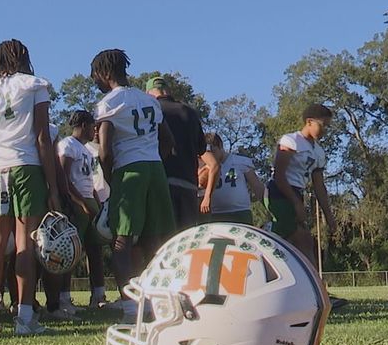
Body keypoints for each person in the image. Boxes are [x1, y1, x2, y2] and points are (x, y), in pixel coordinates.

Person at [0, 39, 61, 335]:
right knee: (25, 243)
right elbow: (42, 139)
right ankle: (24, 316)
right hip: (26, 167)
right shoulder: (33, 85)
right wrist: (53, 187)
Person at [92, 49, 176, 323]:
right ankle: (156, 301)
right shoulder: (147, 100)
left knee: (122, 240)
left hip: (129, 170)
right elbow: (168, 141)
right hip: (155, 168)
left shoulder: (110, 103)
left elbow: (104, 151)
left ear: (105, 73)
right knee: (155, 240)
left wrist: (110, 178)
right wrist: (154, 160)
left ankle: (130, 307)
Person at [267, 103, 347, 310]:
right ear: (309, 122)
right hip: (280, 192)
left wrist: (330, 216)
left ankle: (314, 292)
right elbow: (279, 175)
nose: (326, 130)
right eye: (323, 125)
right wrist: (294, 202)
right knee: (296, 240)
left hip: (297, 194)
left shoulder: (318, 151)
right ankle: (315, 292)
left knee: (302, 243)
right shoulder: (290, 140)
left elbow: (319, 186)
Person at [145, 76, 219, 229]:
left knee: (160, 240)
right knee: (184, 239)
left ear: (148, 93)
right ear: (168, 90)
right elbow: (201, 149)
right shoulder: (189, 112)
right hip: (188, 186)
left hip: (161, 183)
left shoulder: (151, 111)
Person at [53, 110, 105, 319]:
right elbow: (64, 178)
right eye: (92, 126)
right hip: (77, 203)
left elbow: (88, 179)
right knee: (71, 252)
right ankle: (64, 298)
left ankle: (98, 295)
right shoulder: (67, 145)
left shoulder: (86, 150)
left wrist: (95, 201)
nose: (95, 131)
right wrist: (79, 202)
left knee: (95, 249)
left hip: (89, 200)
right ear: (83, 125)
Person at [199, 132, 264, 224]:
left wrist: (268, 207)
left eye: (213, 151)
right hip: (217, 214)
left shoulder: (240, 161)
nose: (211, 156)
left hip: (240, 212)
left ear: (220, 145)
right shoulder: (206, 168)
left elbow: (257, 187)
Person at [83, 123, 110, 308]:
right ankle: (97, 293)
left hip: (109, 199)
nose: (95, 131)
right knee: (92, 249)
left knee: (119, 247)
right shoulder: (81, 149)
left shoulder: (109, 148)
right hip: (90, 200)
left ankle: (123, 294)